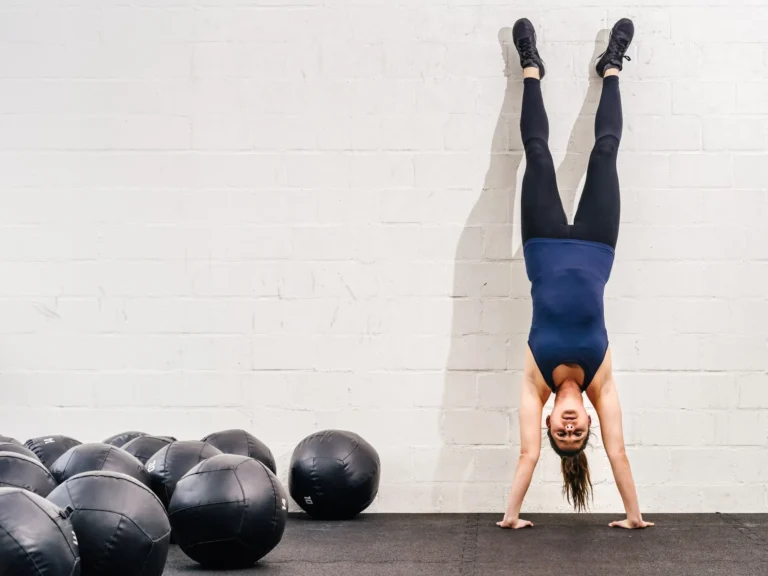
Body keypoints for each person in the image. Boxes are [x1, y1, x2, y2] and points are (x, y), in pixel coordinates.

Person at [497, 17, 654, 530]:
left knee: (537, 156)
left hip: (542, 245)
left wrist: (511, 516)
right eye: (576, 433)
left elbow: (526, 457)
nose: (568, 427)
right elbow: (620, 454)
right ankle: (611, 68)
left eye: (560, 434)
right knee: (605, 153)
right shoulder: (602, 384)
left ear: (549, 423)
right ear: (588, 421)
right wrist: (633, 516)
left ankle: (530, 67)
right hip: (596, 246)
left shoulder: (534, 383)